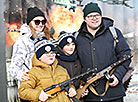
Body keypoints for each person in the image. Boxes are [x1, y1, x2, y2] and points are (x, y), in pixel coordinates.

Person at [76, 2, 131, 102]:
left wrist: (118, 75)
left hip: (113, 95)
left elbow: (125, 55)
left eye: (97, 15)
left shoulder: (114, 33)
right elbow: (74, 64)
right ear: (85, 19)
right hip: (89, 96)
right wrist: (79, 85)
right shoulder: (77, 38)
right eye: (90, 16)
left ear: (101, 16)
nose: (94, 18)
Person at [18, 37, 77, 102]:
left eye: (53, 52)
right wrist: (38, 95)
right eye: (47, 53)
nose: (51, 55)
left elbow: (69, 84)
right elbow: (23, 91)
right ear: (39, 57)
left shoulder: (62, 70)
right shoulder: (33, 72)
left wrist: (72, 89)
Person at [9, 6, 48, 102]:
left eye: (43, 22)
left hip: (44, 88)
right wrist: (21, 75)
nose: (41, 24)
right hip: (29, 89)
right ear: (29, 22)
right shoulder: (22, 41)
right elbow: (14, 67)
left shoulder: (44, 39)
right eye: (37, 22)